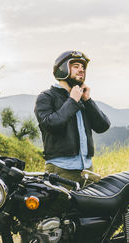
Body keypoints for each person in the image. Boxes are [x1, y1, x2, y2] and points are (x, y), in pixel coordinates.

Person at [34, 50, 110, 188]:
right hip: (61, 171)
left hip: (88, 171)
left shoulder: (82, 98)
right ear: (62, 69)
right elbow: (50, 125)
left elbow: (103, 126)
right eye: (76, 66)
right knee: (63, 210)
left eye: (83, 68)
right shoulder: (46, 97)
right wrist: (72, 101)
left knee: (92, 210)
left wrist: (88, 101)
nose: (81, 70)